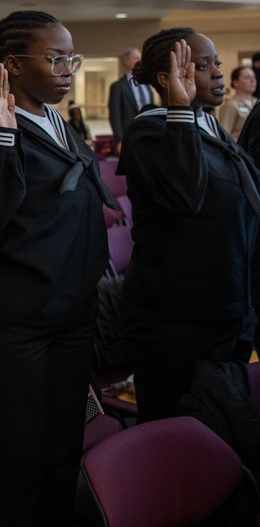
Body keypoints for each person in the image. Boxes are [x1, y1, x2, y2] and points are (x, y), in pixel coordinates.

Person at [0, 11, 114, 526]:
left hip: (68, 318)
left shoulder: (58, 121)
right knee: (14, 466)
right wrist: (1, 140)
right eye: (55, 58)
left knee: (61, 453)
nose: (67, 69)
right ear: (13, 64)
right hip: (9, 327)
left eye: (71, 59)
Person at [120, 28, 259, 423]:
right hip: (175, 322)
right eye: (202, 66)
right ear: (166, 79)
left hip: (229, 310)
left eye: (216, 63)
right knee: (178, 437)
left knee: (227, 432)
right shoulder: (151, 130)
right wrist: (180, 110)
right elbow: (183, 197)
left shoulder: (211, 127)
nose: (217, 73)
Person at [108, 47, 153, 154]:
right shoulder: (118, 86)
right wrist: (119, 140)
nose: (140, 62)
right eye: (136, 58)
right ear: (127, 62)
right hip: (130, 135)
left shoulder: (147, 85)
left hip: (149, 133)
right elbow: (115, 115)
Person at [218, 66, 256, 141]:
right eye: (247, 77)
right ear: (236, 83)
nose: (253, 80)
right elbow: (224, 135)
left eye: (254, 77)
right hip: (240, 149)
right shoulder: (231, 105)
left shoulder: (256, 103)